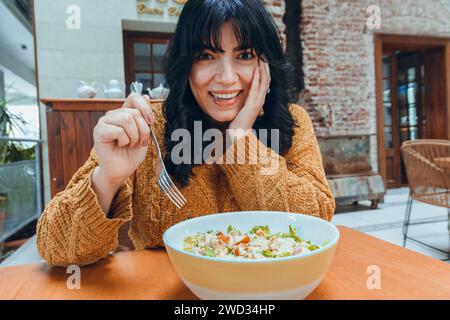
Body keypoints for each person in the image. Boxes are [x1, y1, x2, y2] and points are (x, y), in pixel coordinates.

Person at [36, 0, 335, 266]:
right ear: (186, 65)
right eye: (206, 55)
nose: (227, 78)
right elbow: (55, 247)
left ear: (266, 65)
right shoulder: (149, 125)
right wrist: (108, 178)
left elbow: (315, 221)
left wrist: (240, 138)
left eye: (244, 55)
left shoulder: (293, 121)